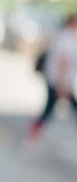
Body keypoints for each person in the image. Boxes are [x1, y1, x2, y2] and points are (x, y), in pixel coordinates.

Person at [29, 13, 77, 145]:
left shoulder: (64, 37)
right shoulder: (67, 39)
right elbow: (63, 63)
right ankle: (32, 135)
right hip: (58, 81)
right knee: (49, 110)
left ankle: (33, 135)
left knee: (51, 110)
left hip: (56, 80)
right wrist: (62, 84)